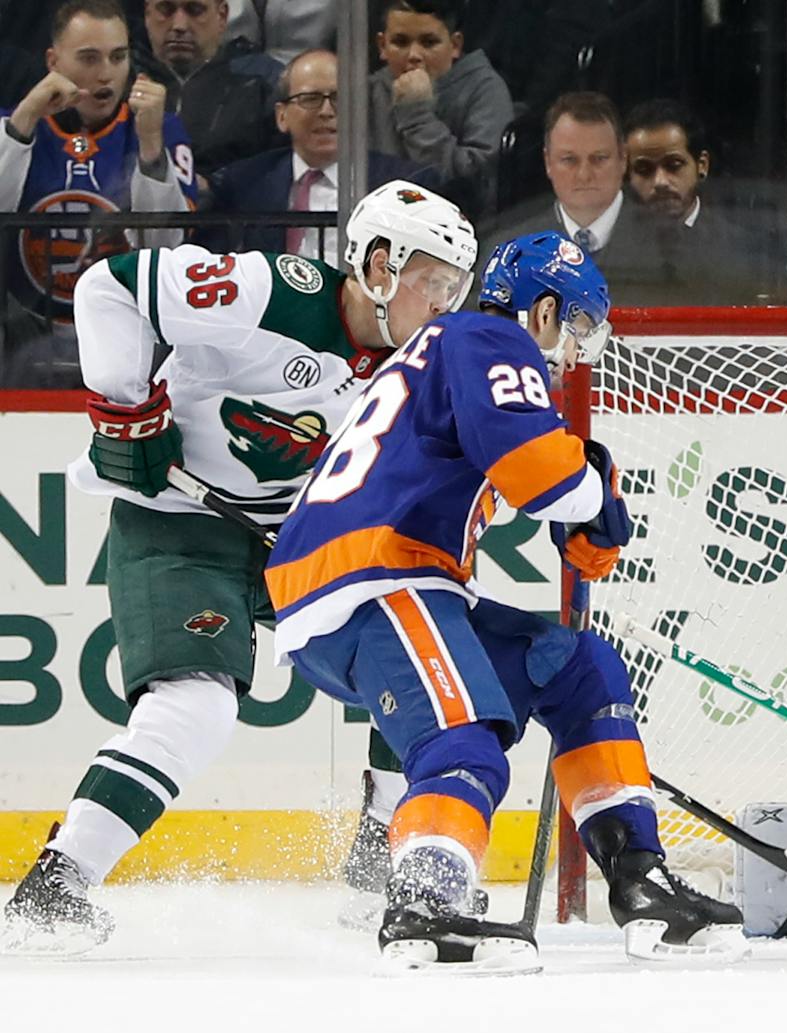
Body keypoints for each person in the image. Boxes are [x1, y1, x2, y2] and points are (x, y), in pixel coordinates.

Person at [0, 179, 479, 956]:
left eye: (455, 289)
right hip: (181, 521)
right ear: (381, 264)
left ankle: (383, 864)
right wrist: (124, 407)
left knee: (418, 648)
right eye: (433, 282)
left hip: (296, 541)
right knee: (197, 708)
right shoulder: (266, 293)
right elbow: (106, 286)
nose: (444, 304)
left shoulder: (420, 367)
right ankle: (58, 885)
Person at [264, 231, 747, 971]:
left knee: (579, 666)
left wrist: (580, 499)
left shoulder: (446, 349)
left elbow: (529, 473)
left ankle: (638, 879)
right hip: (374, 579)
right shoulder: (489, 335)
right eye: (579, 327)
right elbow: (539, 474)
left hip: (385, 582)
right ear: (544, 310)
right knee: (465, 739)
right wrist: (591, 493)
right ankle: (424, 903)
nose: (577, 351)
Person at [0, 0, 197, 336]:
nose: (106, 72)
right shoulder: (15, 124)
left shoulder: (163, 128)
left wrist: (150, 144)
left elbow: (168, 246)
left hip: (126, 331)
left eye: (118, 57)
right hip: (23, 331)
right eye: (89, 58)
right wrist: (24, 118)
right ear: (54, 62)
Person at [205, 49, 435, 261]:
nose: (326, 112)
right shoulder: (243, 182)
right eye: (310, 99)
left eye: (339, 98)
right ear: (281, 116)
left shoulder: (405, 186)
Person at [480, 91, 655, 297]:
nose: (584, 175)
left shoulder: (674, 242)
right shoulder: (508, 251)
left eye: (598, 159)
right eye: (569, 160)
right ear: (548, 162)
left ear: (623, 159)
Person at [622, 97, 787, 305]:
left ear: (702, 165)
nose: (660, 182)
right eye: (644, 170)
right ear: (627, 173)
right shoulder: (609, 250)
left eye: (673, 165)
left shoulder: (748, 251)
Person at [368, 0, 513, 220]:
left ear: (455, 45)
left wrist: (415, 115)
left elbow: (478, 186)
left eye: (428, 42)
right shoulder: (365, 91)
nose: (414, 55)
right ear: (382, 45)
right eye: (400, 42)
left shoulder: (486, 90)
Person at [133, 0, 284, 183]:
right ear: (147, 14)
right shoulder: (119, 78)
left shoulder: (265, 81)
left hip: (236, 207)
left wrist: (217, 185)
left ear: (222, 16)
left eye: (195, 10)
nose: (179, 25)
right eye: (166, 10)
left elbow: (283, 168)